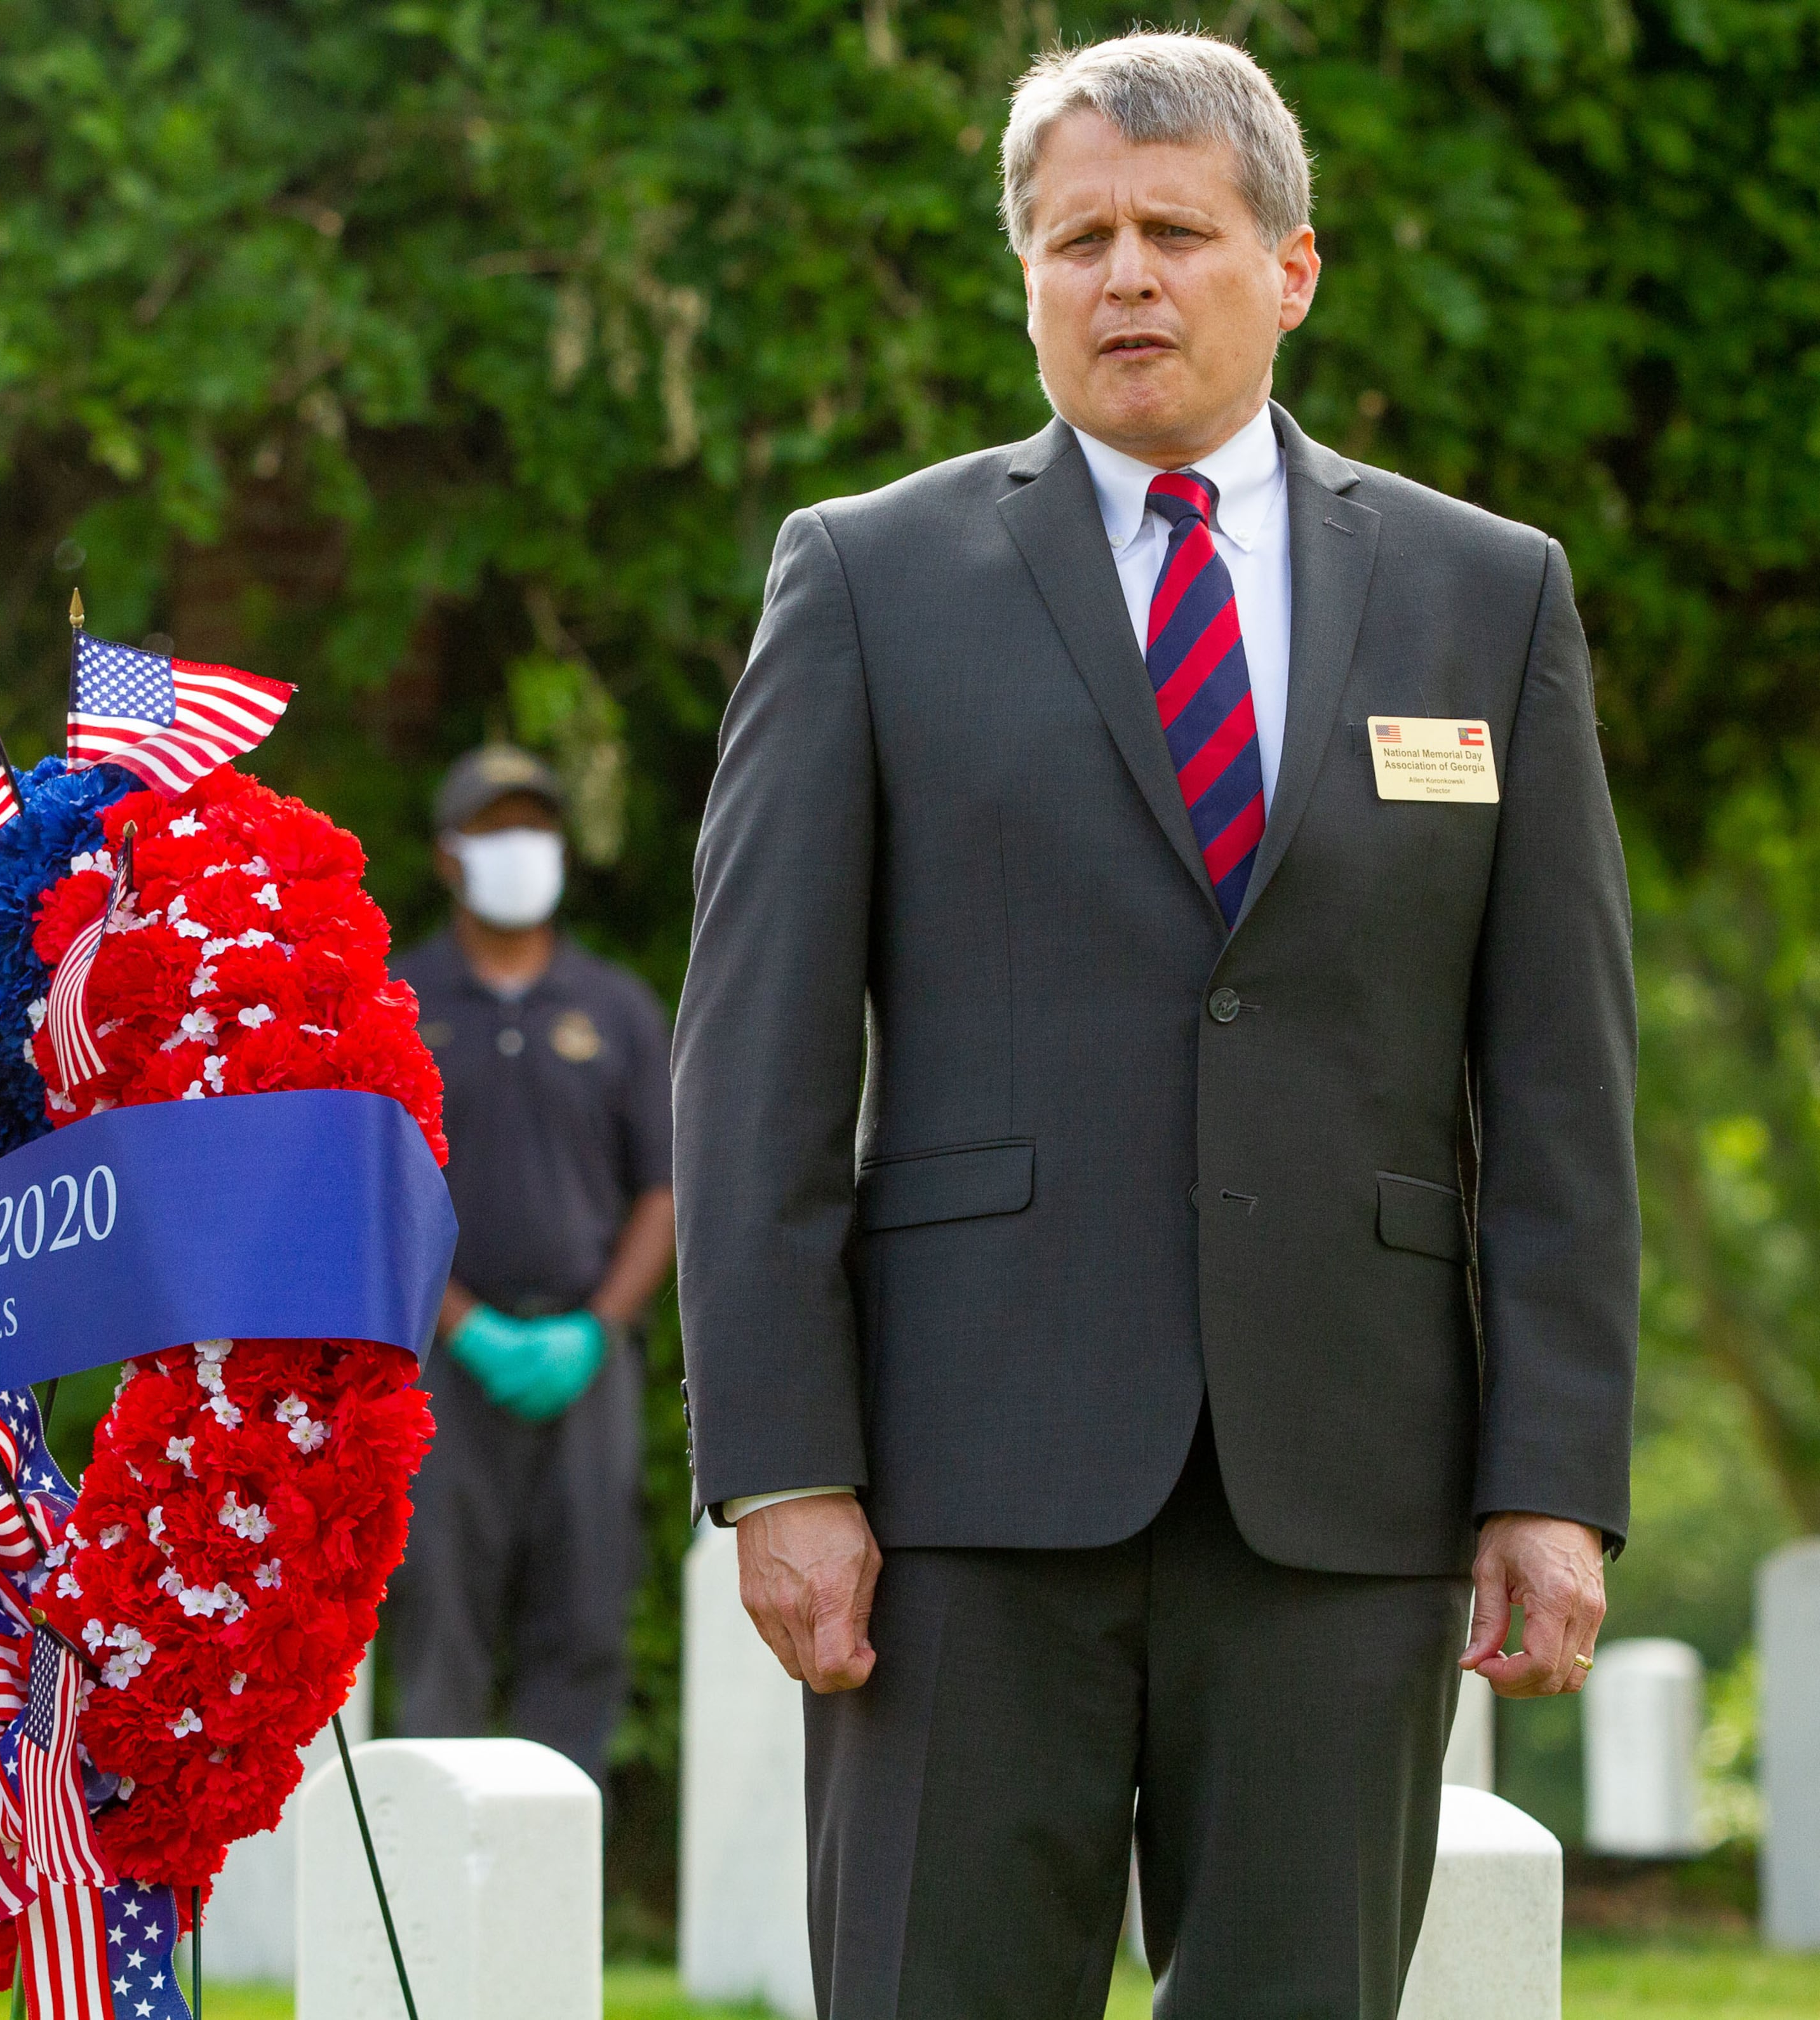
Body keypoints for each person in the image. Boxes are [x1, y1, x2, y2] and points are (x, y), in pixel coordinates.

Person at [672, 32, 1636, 2019]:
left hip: (1345, 1490)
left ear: (1289, 268)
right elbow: (753, 1061)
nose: (1125, 276)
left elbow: (1559, 1077)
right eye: (1076, 237)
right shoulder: (867, 577)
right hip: (955, 1498)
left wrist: (1553, 1470)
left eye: (1174, 232)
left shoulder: (1488, 596)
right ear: (1026, 276)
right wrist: (783, 1468)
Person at [387, 745, 677, 1790]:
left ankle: (552, 1903)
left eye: (537, 825)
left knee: (588, 1615)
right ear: (451, 856)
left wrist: (598, 1322)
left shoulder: (619, 1006)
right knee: (439, 1616)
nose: (523, 847)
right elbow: (377, 1188)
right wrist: (462, 1320)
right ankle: (431, 1895)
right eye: (497, 826)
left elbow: (667, 1190)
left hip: (586, 1357)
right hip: (436, 1361)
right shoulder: (400, 999)